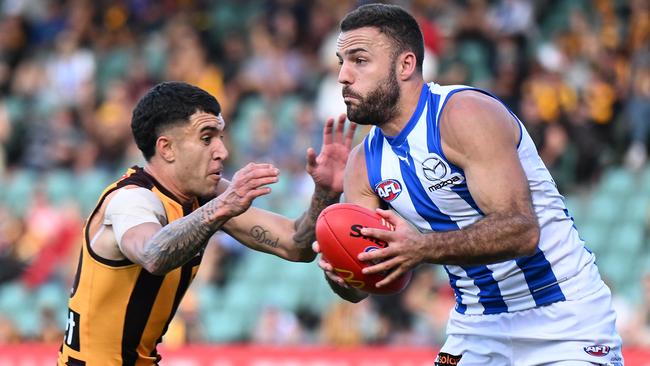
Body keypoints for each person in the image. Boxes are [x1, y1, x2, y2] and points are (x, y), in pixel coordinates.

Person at [313, 4, 624, 365]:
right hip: (475, 327)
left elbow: (522, 231)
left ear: (405, 65)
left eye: (359, 60)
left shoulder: (464, 114)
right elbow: (359, 289)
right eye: (341, 61)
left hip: (562, 316)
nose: (343, 76)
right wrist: (341, 271)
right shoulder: (363, 164)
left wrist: (422, 248)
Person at [57, 81, 356, 365]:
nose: (222, 152)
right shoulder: (132, 200)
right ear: (167, 148)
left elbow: (296, 245)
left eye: (220, 138)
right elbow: (152, 254)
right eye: (206, 138)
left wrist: (326, 193)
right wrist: (223, 206)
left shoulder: (204, 195)